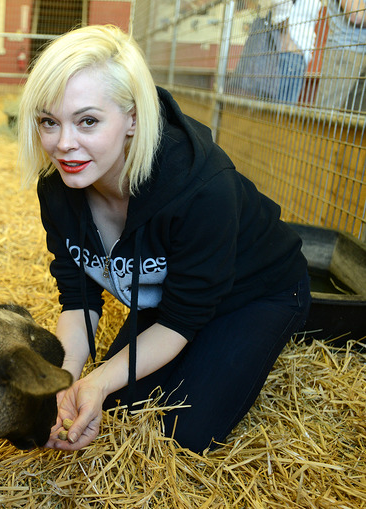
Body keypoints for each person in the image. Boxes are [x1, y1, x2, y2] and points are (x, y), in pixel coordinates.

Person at [17, 24, 311, 454]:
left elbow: (181, 321)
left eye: (88, 121)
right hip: (172, 297)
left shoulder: (202, 188)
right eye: (48, 121)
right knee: (117, 405)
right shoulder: (58, 191)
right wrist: (64, 383)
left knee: (184, 434)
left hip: (256, 292)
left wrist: (96, 379)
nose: (64, 145)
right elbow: (78, 300)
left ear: (133, 117)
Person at [315, 0, 366, 111]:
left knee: (356, 121)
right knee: (325, 116)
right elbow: (356, 14)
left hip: (358, 52)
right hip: (345, 51)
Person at [271, 0, 322, 103]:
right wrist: (286, 40)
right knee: (279, 110)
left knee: (283, 110)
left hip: (299, 54)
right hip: (290, 52)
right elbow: (280, 6)